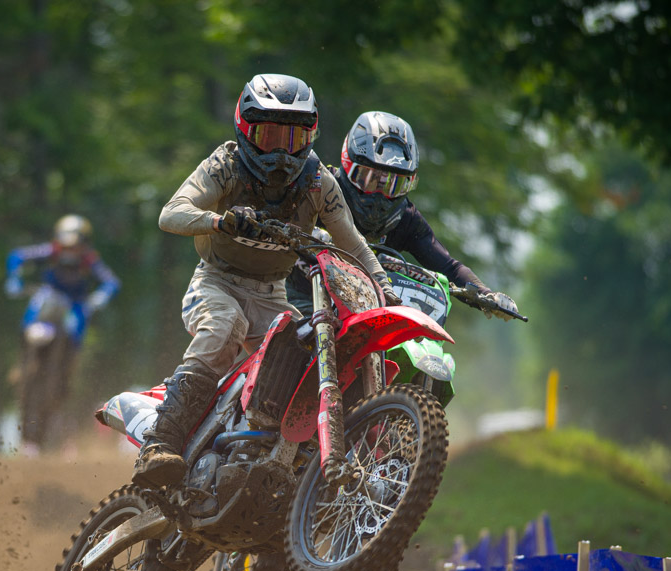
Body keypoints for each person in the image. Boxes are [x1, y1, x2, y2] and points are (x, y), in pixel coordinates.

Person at [132, 74, 399, 489]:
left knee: (308, 357)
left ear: (310, 137)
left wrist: (384, 288)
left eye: (292, 139)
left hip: (272, 294)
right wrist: (220, 221)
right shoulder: (226, 165)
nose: (280, 152)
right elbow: (172, 213)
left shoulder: (318, 181)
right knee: (224, 326)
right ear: (246, 129)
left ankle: (274, 459)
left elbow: (355, 245)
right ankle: (160, 443)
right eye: (269, 135)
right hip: (217, 282)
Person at [286, 111, 518, 319]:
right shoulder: (320, 189)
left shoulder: (406, 219)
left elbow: (449, 268)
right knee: (292, 334)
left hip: (371, 307)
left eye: (393, 185)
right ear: (349, 167)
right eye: (371, 179)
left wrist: (488, 296)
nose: (379, 195)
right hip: (302, 298)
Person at [5, 214, 119, 455]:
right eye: (65, 245)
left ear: (84, 244)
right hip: (48, 299)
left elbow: (111, 282)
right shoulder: (49, 252)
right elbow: (16, 256)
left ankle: (68, 359)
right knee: (34, 309)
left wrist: (100, 297)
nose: (69, 252)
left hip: (74, 305)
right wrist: (14, 279)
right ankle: (25, 357)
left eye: (75, 246)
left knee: (75, 327)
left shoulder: (89, 259)